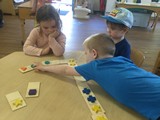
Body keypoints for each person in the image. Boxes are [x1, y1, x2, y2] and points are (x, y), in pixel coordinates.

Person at [34, 33, 160, 120]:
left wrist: (44, 67)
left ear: (94, 53)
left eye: (86, 52)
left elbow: (66, 69)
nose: (84, 54)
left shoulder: (94, 66)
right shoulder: (122, 59)